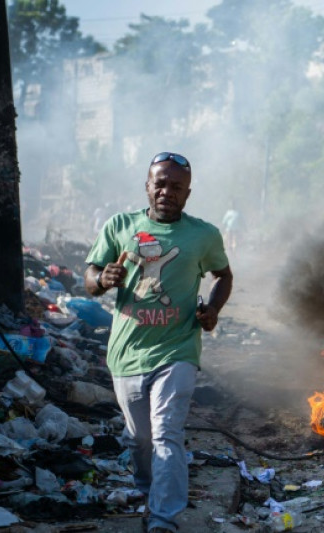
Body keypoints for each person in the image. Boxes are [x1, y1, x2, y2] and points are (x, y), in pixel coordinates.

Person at [84, 152, 233, 533]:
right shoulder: (120, 225)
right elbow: (88, 278)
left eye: (176, 187)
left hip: (178, 349)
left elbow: (223, 274)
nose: (167, 191)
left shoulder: (203, 234)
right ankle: (147, 489)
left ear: (187, 194)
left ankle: (164, 519)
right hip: (127, 352)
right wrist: (104, 279)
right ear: (148, 186)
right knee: (140, 440)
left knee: (167, 433)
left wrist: (212, 308)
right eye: (160, 183)